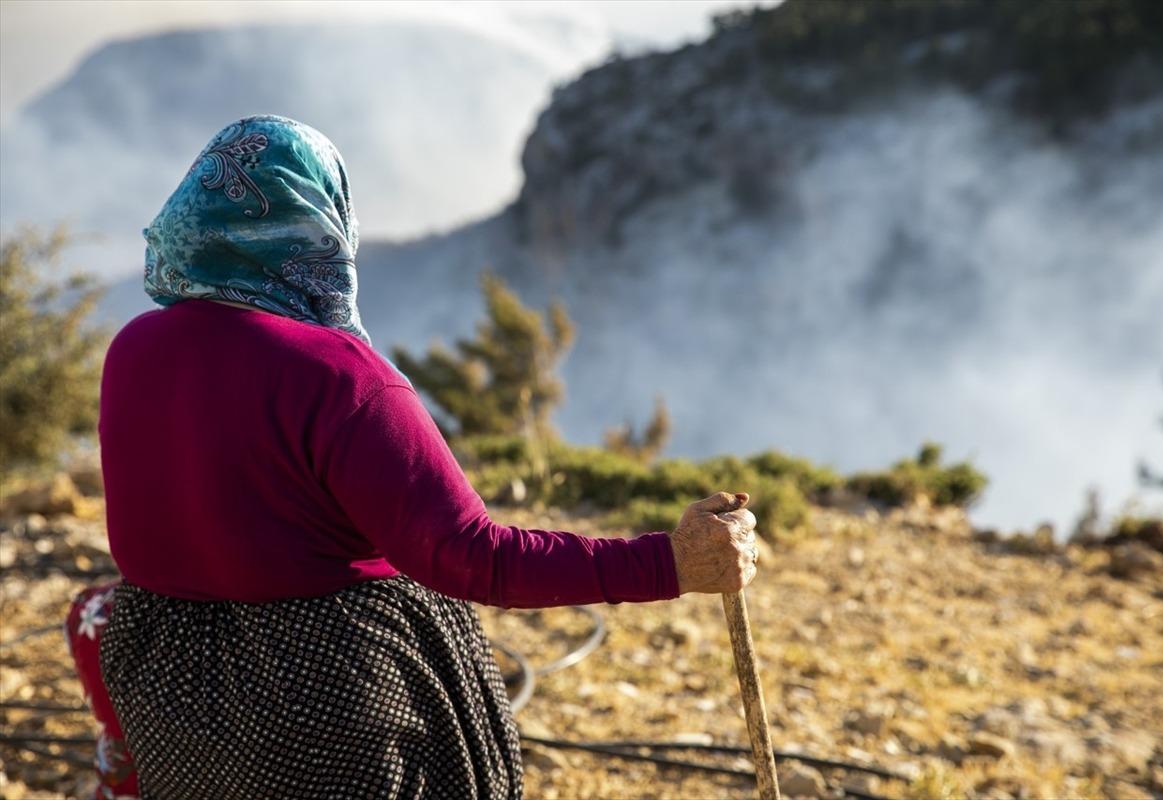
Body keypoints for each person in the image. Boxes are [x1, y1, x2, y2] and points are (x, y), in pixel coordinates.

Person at [97, 114, 759, 800]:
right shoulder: (339, 377)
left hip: (173, 698)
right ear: (320, 221)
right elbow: (475, 556)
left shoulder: (134, 350)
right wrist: (669, 563)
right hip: (324, 706)